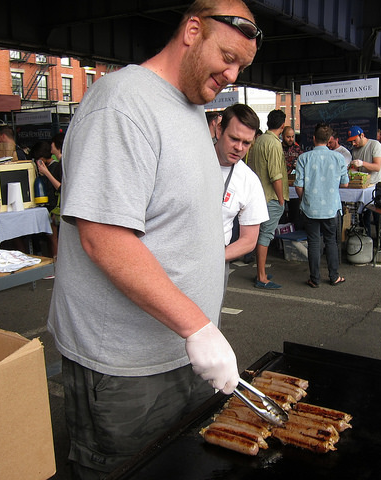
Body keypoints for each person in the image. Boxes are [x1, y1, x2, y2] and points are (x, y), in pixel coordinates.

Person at [46, 0, 261, 477]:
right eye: (227, 57)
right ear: (191, 30)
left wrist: (197, 332)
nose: (231, 74)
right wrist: (198, 327)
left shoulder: (191, 110)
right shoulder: (121, 104)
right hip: (125, 367)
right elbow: (104, 237)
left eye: (241, 66)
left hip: (182, 354)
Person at [295, 125, 348, 287]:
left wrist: (306, 199)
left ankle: (315, 279)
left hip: (310, 208)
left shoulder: (304, 158)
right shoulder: (338, 158)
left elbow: (298, 186)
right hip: (331, 208)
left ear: (314, 138)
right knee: (331, 241)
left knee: (314, 242)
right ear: (329, 140)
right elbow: (345, 184)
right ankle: (334, 276)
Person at [216, 104, 268, 264]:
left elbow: (249, 240)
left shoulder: (249, 181)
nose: (239, 148)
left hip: (215, 261)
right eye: (234, 139)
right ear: (219, 130)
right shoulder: (190, 161)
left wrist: (213, 260)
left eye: (246, 143)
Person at [248, 109, 288, 289]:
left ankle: (260, 272)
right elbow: (275, 175)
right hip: (270, 197)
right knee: (265, 235)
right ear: (282, 125)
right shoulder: (273, 144)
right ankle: (262, 277)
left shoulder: (258, 141)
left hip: (257, 196)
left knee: (260, 235)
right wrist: (281, 199)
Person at [347, 126, 381, 245]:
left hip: (377, 185)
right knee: (364, 218)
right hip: (364, 188)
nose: (354, 143)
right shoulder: (355, 150)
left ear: (362, 135)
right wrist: (353, 169)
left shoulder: (375, 145)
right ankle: (367, 244)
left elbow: (377, 166)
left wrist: (362, 163)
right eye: (352, 141)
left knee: (380, 218)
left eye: (355, 140)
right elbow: (356, 169)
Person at [31, 140, 61, 259]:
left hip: (54, 208)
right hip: (51, 208)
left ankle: (55, 262)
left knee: (53, 238)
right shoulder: (53, 166)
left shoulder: (55, 168)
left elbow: (59, 188)